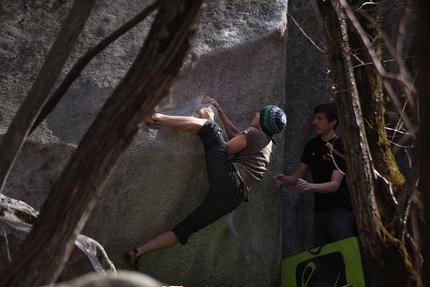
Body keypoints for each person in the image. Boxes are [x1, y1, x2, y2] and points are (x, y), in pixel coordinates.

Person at [124, 95, 287, 270]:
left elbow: (226, 148)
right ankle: (137, 252)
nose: (255, 113)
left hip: (229, 180)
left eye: (259, 113)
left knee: (209, 128)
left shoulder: (255, 134)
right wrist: (221, 111)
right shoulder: (269, 143)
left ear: (262, 122)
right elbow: (238, 137)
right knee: (185, 229)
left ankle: (155, 117)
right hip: (233, 198)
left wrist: (211, 120)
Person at [273, 103, 353, 247]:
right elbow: (299, 175)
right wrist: (285, 179)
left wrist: (310, 186)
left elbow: (334, 185)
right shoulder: (312, 145)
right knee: (322, 256)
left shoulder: (340, 146)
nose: (314, 122)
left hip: (339, 210)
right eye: (315, 117)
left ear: (332, 122)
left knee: (344, 253)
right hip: (319, 211)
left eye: (320, 119)